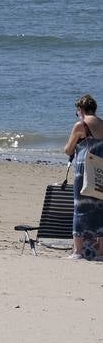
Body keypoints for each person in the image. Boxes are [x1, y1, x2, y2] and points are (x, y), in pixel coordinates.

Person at [64, 94, 103, 260]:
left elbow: (68, 149)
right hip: (100, 170)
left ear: (80, 110)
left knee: (79, 209)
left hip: (83, 171)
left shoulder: (81, 125)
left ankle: (78, 251)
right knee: (100, 208)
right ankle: (100, 252)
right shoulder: (102, 123)